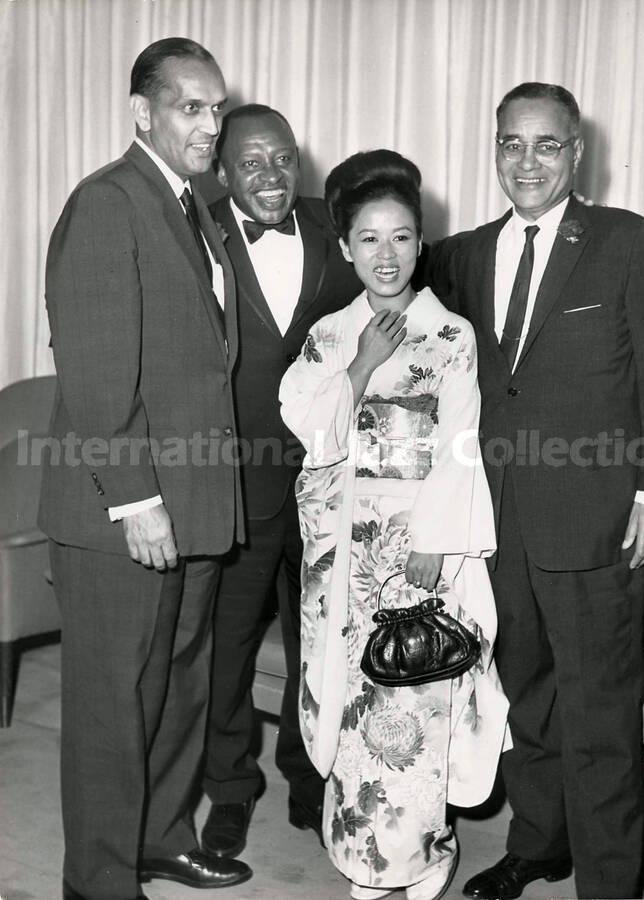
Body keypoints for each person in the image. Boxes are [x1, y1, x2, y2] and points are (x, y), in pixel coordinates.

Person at [421, 83, 644, 900]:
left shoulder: (626, 242)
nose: (526, 161)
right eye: (511, 143)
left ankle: (607, 882)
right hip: (496, 523)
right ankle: (539, 845)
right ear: (494, 149)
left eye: (545, 145)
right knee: (524, 700)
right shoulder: (465, 254)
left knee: (599, 714)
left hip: (596, 522)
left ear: (577, 153)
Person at [39, 38, 252, 900]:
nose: (209, 125)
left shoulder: (192, 205)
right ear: (143, 112)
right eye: (189, 108)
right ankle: (97, 881)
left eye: (216, 108)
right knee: (111, 707)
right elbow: (94, 374)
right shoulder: (107, 202)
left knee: (178, 692)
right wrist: (137, 500)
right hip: (124, 512)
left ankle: (161, 840)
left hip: (194, 503)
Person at [279, 149, 510, 900]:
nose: (386, 255)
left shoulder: (451, 337)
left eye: (402, 237)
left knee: (413, 693)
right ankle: (362, 859)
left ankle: (420, 858)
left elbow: (460, 444)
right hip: (344, 553)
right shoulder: (328, 335)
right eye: (369, 239)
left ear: (421, 243)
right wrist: (358, 366)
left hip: (413, 549)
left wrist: (436, 542)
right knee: (351, 701)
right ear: (345, 247)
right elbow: (309, 434)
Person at [201, 104, 362, 858]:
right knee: (227, 647)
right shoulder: (191, 230)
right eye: (250, 163)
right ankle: (228, 790)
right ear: (221, 169)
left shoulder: (333, 228)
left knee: (318, 647)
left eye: (283, 159)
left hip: (327, 483)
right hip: (235, 484)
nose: (270, 176)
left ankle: (309, 779)